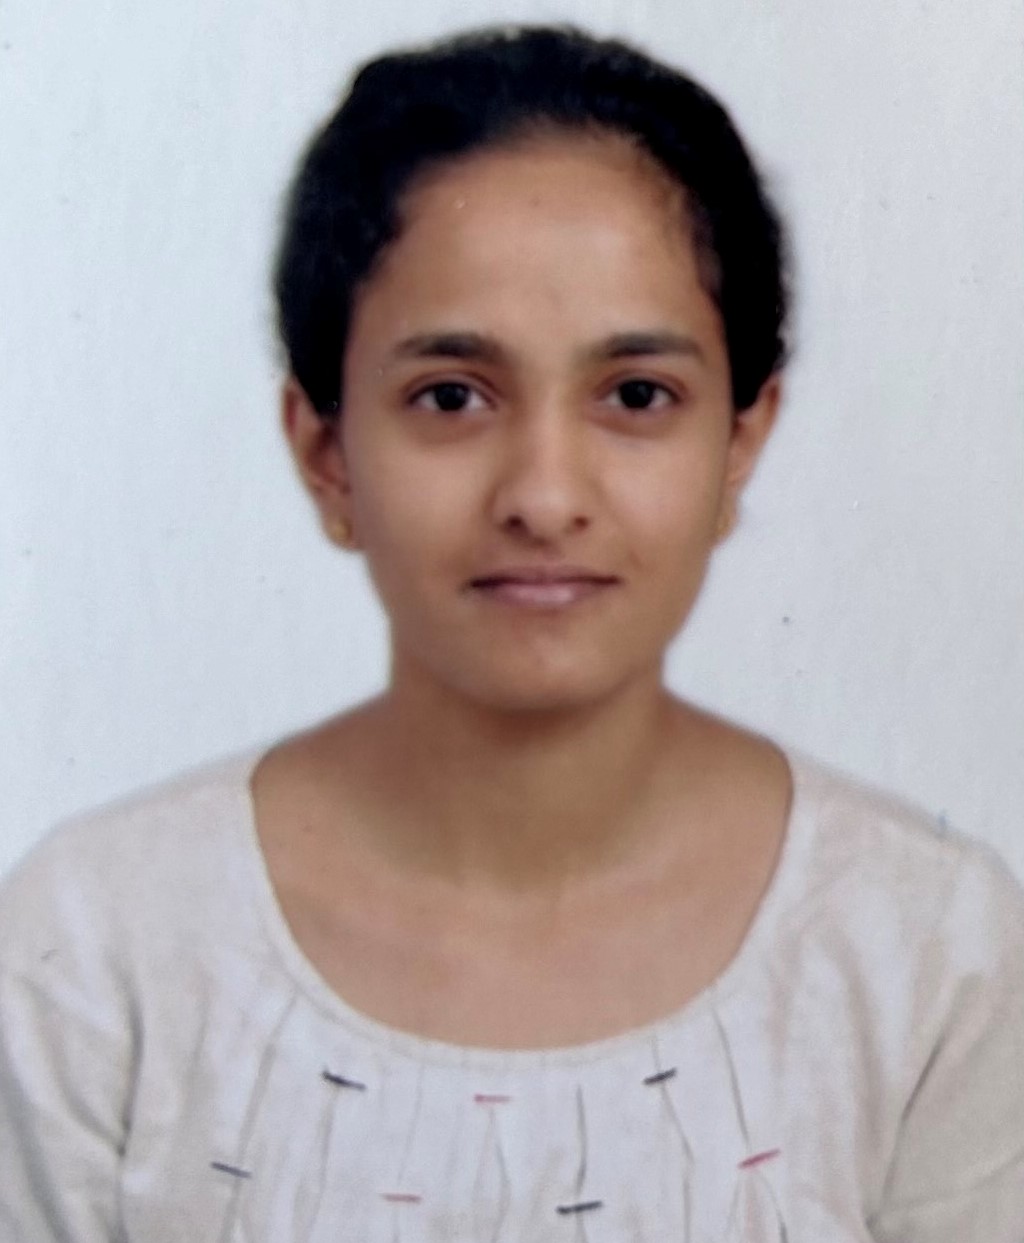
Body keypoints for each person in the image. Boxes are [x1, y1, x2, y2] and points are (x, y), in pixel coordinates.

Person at [1, 23, 1022, 1243]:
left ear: (738, 443)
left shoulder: (926, 952)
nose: (543, 495)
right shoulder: (96, 950)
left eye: (635, 396)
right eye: (451, 396)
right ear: (326, 452)